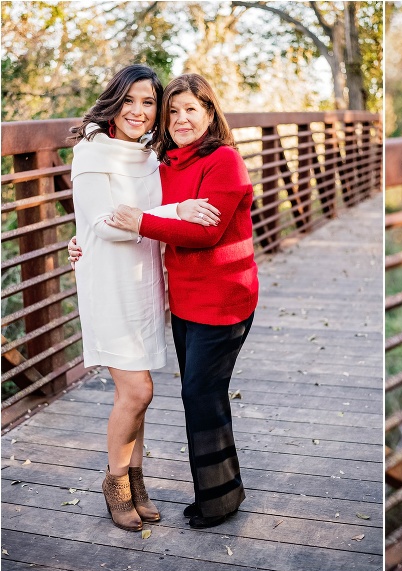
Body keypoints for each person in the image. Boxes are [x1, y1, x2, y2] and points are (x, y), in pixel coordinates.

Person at [105, 73, 259, 529]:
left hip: (227, 300)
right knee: (199, 396)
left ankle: (219, 499)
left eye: (191, 109)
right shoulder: (165, 162)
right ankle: (219, 489)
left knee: (201, 394)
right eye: (172, 111)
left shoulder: (225, 161)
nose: (180, 118)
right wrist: (86, 242)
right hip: (187, 300)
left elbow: (206, 231)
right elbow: (120, 203)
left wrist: (141, 222)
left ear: (210, 113)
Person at [69, 65, 219, 532]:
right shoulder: (91, 153)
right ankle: (115, 483)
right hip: (108, 285)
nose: (139, 111)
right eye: (129, 100)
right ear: (114, 100)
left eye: (149, 103)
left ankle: (136, 480)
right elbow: (102, 227)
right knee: (138, 390)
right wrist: (176, 211)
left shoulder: (150, 156)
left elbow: (145, 214)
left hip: (144, 284)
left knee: (136, 396)